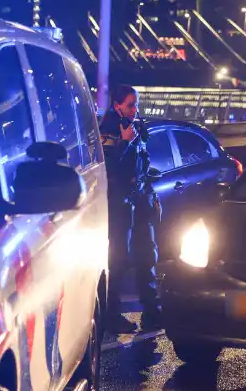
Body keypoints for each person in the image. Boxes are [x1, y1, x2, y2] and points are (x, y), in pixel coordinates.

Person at [99, 85, 162, 333]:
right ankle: (111, 315)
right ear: (117, 106)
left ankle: (153, 313)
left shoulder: (135, 128)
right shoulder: (109, 132)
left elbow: (141, 166)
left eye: (136, 104)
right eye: (130, 105)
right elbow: (109, 170)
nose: (135, 109)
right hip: (120, 203)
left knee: (148, 255)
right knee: (119, 260)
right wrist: (124, 144)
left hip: (139, 201)